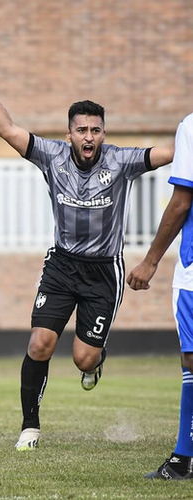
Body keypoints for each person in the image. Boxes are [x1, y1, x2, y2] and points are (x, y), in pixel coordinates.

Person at [0, 62, 175, 451]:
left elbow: (171, 153)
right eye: (82, 130)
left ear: (103, 134)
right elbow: (7, 129)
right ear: (69, 134)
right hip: (61, 265)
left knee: (83, 359)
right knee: (39, 344)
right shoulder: (51, 156)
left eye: (95, 130)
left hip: (104, 271)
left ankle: (96, 360)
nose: (88, 136)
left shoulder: (122, 161)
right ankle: (30, 428)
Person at [128, 113, 193, 480]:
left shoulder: (191, 127)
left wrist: (151, 261)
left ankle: (183, 460)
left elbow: (181, 201)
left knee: (191, 358)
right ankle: (184, 458)